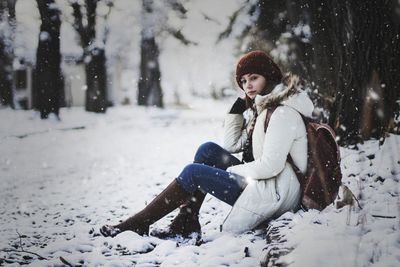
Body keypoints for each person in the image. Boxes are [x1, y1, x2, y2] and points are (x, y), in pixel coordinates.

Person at [100, 50, 314, 238]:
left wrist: (232, 171)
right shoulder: (265, 109)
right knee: (207, 150)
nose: (247, 85)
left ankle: (139, 223)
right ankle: (186, 221)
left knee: (193, 173)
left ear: (268, 77)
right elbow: (233, 145)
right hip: (266, 184)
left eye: (254, 78)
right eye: (243, 81)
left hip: (276, 195)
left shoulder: (282, 113)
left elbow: (271, 166)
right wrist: (236, 110)